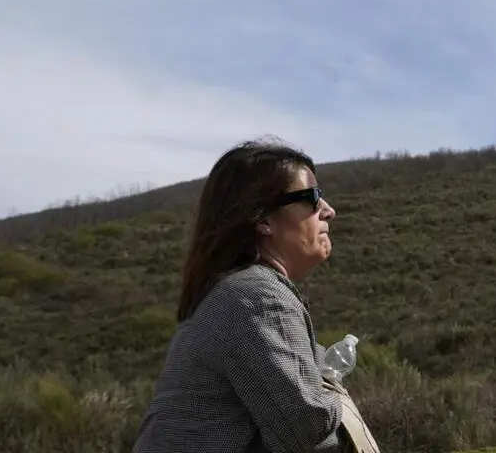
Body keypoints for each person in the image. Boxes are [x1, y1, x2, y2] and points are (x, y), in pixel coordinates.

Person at [133, 136, 346, 453]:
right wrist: (337, 394)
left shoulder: (235, 293)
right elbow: (306, 427)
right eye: (313, 197)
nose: (328, 211)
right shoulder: (258, 298)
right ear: (263, 219)